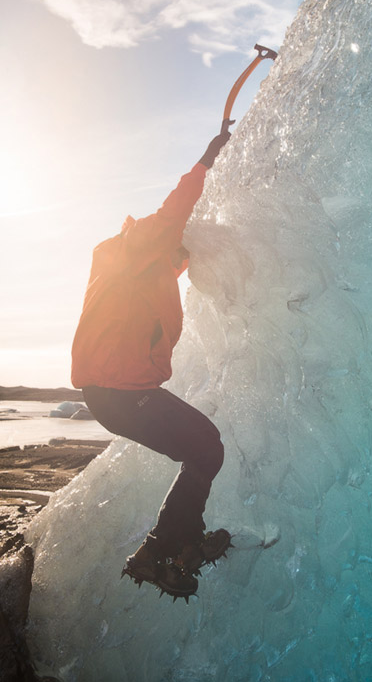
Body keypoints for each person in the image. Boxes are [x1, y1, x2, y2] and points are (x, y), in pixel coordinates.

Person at [71, 130, 233, 600]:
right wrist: (206, 160)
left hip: (114, 391)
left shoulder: (130, 265)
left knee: (202, 449)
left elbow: (167, 256)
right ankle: (157, 554)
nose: (180, 257)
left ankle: (180, 545)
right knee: (206, 447)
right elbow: (172, 214)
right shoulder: (138, 244)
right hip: (121, 391)